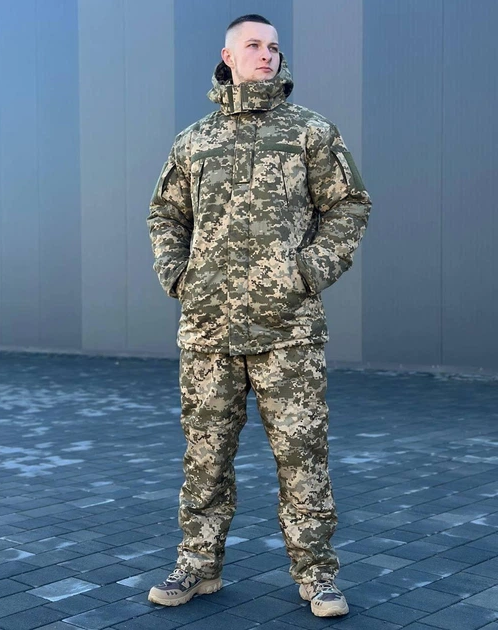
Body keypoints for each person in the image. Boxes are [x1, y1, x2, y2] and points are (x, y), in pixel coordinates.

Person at [146, 14, 371, 618]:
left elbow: (349, 205)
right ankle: (198, 565)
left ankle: (317, 573)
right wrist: (178, 274)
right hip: (209, 330)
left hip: (287, 332)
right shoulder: (194, 141)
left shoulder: (310, 133)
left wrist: (309, 271)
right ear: (228, 56)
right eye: (253, 45)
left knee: (303, 457)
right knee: (205, 457)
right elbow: (165, 214)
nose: (266, 54)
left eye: (273, 46)